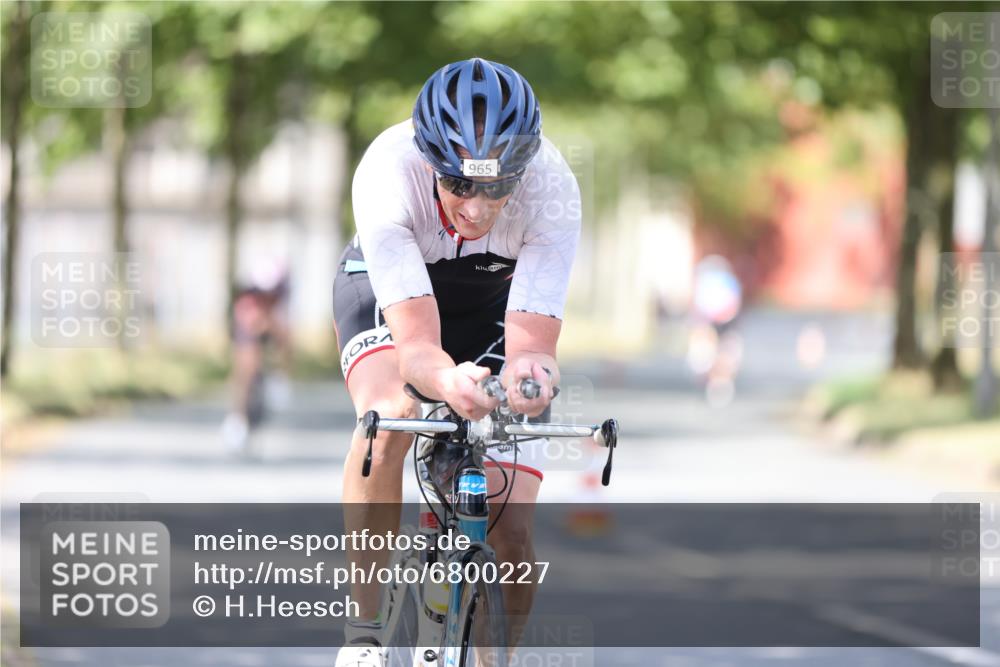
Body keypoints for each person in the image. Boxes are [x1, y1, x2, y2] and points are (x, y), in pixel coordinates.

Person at [333, 58, 581, 666]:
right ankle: (365, 635)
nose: (477, 207)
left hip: (493, 303)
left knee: (513, 531)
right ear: (429, 164)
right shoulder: (387, 171)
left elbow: (532, 350)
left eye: (498, 186)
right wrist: (445, 381)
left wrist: (530, 385)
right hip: (392, 296)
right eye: (459, 185)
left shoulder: (553, 187)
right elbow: (417, 348)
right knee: (391, 414)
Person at [220, 261, 292, 453]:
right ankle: (238, 417)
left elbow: (284, 332)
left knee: (285, 338)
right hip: (248, 330)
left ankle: (279, 377)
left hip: (270, 325)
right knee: (246, 361)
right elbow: (248, 326)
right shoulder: (247, 301)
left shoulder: (280, 295)